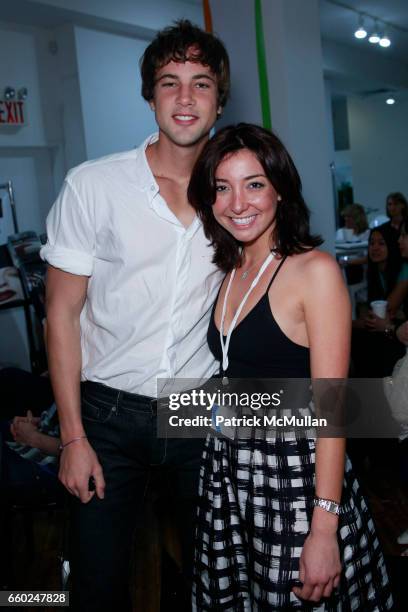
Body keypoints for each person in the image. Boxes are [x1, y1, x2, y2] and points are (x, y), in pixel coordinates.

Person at [40, 20, 230, 612]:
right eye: (169, 83)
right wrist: (71, 437)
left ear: (219, 100)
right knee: (96, 587)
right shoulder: (93, 185)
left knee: (211, 580)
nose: (184, 98)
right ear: (149, 95)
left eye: (200, 84)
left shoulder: (236, 194)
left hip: (199, 409)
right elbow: (61, 315)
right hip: (106, 414)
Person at [188, 123, 392, 610]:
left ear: (280, 189)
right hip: (231, 472)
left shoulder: (313, 271)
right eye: (223, 187)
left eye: (254, 183)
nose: (238, 202)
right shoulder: (229, 269)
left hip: (295, 482)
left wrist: (324, 528)